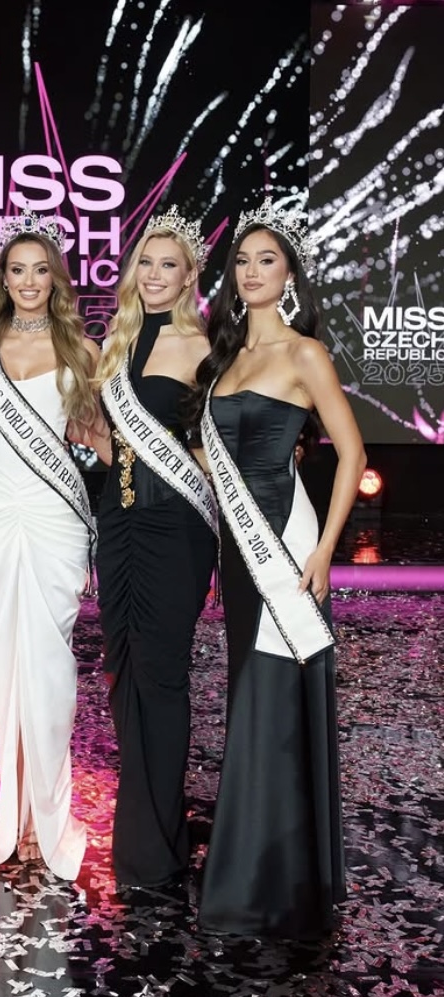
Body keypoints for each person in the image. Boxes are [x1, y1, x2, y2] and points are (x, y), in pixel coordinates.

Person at [191, 197, 366, 939]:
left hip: (286, 545)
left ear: (289, 273)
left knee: (274, 697)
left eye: (267, 260)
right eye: (242, 261)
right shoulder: (224, 358)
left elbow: (352, 453)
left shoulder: (304, 354)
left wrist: (324, 551)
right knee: (247, 692)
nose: (252, 271)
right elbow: (214, 458)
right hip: (238, 550)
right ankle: (263, 867)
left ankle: (270, 880)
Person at [0, 211, 100, 880]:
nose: (30, 281)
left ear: (55, 278)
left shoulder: (82, 350)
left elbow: (97, 437)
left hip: (53, 517)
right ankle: (11, 814)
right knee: (3, 665)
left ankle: (47, 813)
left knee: (48, 666)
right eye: (18, 270)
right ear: (3, 279)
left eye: (41, 270)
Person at [90, 208, 219, 890]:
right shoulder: (117, 341)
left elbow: (212, 447)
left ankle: (158, 842)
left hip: (176, 528)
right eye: (146, 262)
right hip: (118, 524)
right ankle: (143, 827)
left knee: (162, 678)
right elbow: (114, 446)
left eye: (169, 264)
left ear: (190, 275)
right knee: (124, 674)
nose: (155, 274)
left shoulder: (204, 346)